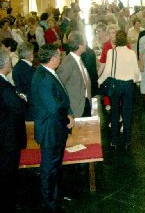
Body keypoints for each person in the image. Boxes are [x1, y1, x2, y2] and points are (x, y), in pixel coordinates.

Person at [31, 44, 75, 212]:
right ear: (52, 59)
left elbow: (60, 99)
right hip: (50, 130)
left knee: (54, 166)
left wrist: (68, 113)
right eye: (58, 55)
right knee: (49, 168)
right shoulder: (43, 77)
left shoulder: (47, 72)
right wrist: (67, 117)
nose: (60, 57)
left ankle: (54, 196)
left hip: (55, 128)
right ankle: (49, 203)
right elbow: (53, 107)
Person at [98, 30, 141, 149]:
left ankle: (114, 140)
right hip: (128, 85)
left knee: (115, 112)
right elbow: (136, 71)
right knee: (127, 112)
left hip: (115, 85)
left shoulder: (112, 52)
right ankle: (127, 140)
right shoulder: (131, 53)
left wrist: (99, 81)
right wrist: (137, 80)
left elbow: (107, 71)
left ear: (116, 40)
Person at [0, 50, 27, 212]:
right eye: (9, 61)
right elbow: (18, 107)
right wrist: (22, 99)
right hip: (8, 137)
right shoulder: (4, 86)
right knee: (8, 172)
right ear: (4, 64)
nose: (11, 63)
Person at [57, 31, 92, 118]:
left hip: (84, 103)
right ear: (79, 45)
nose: (86, 44)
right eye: (84, 42)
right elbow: (59, 87)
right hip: (76, 108)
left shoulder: (78, 59)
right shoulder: (67, 64)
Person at [12, 42, 35, 120]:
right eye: (32, 52)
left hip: (24, 103)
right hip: (31, 104)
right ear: (28, 54)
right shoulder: (27, 69)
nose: (33, 54)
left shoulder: (18, 66)